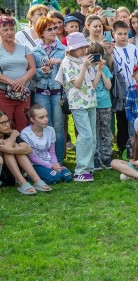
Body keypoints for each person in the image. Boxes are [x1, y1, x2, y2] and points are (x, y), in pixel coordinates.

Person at [56, 32, 100, 182]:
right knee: (85, 135)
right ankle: (80, 170)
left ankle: (88, 168)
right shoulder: (67, 62)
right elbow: (77, 83)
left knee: (92, 137)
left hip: (91, 102)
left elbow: (93, 84)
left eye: (84, 47)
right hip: (77, 104)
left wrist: (99, 70)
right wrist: (84, 66)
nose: (83, 50)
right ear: (72, 49)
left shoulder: (84, 60)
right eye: (80, 47)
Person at [31, 16, 66, 164]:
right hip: (41, 93)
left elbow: (70, 72)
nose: (54, 31)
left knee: (58, 127)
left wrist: (61, 63)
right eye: (49, 29)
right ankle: (45, 159)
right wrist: (41, 71)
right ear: (41, 33)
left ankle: (59, 160)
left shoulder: (63, 50)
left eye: (55, 28)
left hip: (57, 92)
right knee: (45, 126)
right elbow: (32, 74)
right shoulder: (35, 51)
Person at [0, 110, 52, 195]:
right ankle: (22, 182)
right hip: (3, 175)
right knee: (8, 149)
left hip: (11, 173)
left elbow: (28, 149)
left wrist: (12, 148)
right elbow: (5, 146)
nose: (7, 124)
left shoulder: (10, 133)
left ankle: (36, 180)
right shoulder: (13, 134)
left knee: (16, 147)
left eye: (8, 121)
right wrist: (13, 135)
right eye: (3, 123)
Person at [112, 20, 138, 153]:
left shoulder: (133, 48)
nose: (123, 36)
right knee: (121, 120)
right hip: (119, 90)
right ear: (113, 34)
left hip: (134, 89)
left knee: (135, 117)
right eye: (119, 34)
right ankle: (122, 146)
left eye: (125, 33)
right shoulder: (112, 50)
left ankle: (136, 146)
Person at [0, 16, 36, 132]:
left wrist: (22, 80)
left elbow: (32, 68)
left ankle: (22, 149)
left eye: (12, 29)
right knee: (5, 127)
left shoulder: (24, 48)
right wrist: (11, 81)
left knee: (23, 126)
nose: (9, 33)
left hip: (23, 94)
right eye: (5, 30)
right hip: (3, 95)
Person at [21, 104, 72, 184]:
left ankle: (49, 176)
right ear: (32, 119)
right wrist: (50, 166)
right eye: (41, 117)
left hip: (50, 162)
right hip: (35, 165)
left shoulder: (50, 130)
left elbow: (52, 152)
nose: (46, 120)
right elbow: (32, 157)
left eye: (46, 116)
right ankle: (30, 177)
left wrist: (55, 163)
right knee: (56, 177)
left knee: (67, 176)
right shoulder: (25, 134)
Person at [88, 42, 113, 170]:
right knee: (94, 131)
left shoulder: (105, 69)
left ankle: (106, 156)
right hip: (93, 104)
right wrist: (97, 71)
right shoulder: (88, 69)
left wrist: (102, 70)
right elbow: (93, 86)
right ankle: (96, 156)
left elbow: (108, 86)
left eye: (99, 55)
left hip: (105, 104)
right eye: (94, 56)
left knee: (106, 131)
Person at [111, 116, 138, 181]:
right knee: (114, 162)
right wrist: (136, 163)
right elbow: (131, 160)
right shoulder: (131, 142)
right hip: (136, 167)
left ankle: (132, 176)